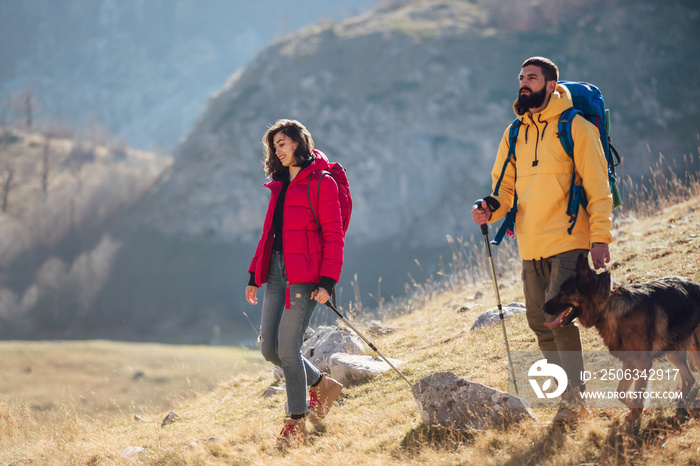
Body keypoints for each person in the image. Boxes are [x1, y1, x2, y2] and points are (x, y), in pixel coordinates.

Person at [471, 57, 613, 424]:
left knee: (558, 318)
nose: (523, 83)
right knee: (538, 320)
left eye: (531, 77)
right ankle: (569, 389)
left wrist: (600, 237)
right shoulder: (514, 133)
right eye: (521, 77)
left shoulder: (577, 127)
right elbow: (504, 188)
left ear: (550, 85)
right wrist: (490, 207)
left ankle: (574, 400)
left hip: (569, 238)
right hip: (530, 244)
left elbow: (598, 187)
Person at [245, 119, 345, 448]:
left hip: (304, 277)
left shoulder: (322, 181)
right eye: (274, 146)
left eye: (283, 143)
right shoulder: (279, 184)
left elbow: (334, 236)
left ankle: (296, 424)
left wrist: (327, 281)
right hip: (274, 272)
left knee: (289, 350)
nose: (278, 149)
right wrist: (254, 275)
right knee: (270, 349)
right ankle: (322, 385)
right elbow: (268, 234)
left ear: (299, 143)